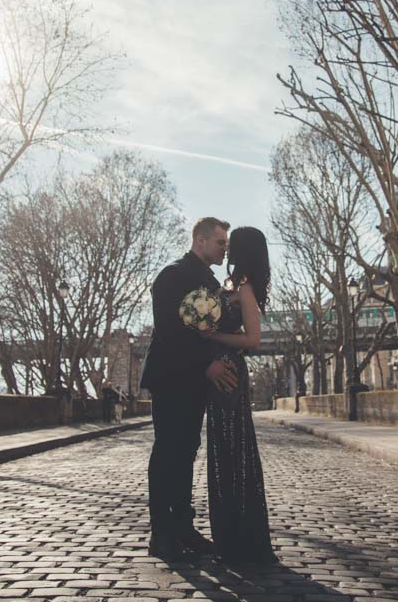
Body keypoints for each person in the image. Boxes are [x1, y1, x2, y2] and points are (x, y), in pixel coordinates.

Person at [139, 217, 238, 560]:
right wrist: (205, 364)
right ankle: (160, 533)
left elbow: (209, 331)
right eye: (220, 243)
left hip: (195, 382)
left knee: (187, 451)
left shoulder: (210, 282)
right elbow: (168, 330)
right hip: (170, 377)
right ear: (200, 240)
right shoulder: (172, 275)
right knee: (167, 451)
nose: (226, 249)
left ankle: (183, 526)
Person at [198, 225, 277, 565]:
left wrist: (214, 339)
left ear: (242, 251)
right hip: (220, 372)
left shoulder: (244, 289)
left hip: (229, 373)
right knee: (221, 450)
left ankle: (240, 538)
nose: (227, 249)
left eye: (233, 245)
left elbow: (253, 340)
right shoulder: (229, 286)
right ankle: (228, 534)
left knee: (233, 449)